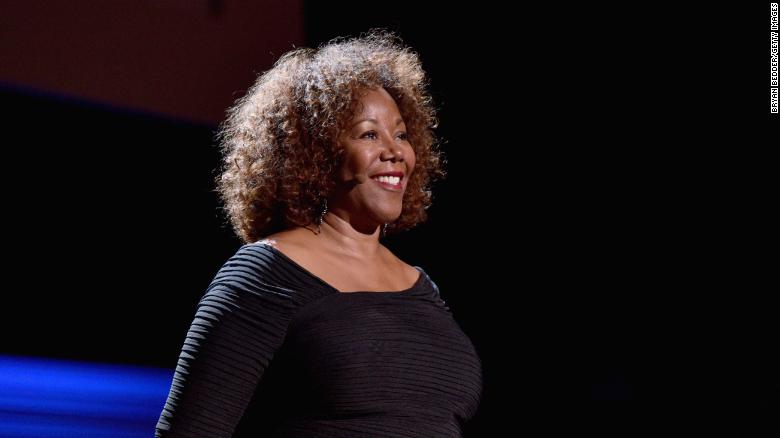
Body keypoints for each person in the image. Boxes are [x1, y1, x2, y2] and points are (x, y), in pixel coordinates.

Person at [155, 30, 482, 437]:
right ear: (316, 153)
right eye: (369, 134)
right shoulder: (265, 274)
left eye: (400, 134)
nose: (395, 150)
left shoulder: (423, 289)